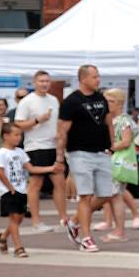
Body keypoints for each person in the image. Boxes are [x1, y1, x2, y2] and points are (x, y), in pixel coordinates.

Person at [57, 63, 114, 253]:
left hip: (101, 152)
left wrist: (112, 145)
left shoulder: (100, 98)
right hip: (79, 153)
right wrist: (60, 156)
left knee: (106, 195)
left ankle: (74, 221)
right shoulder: (71, 101)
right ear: (83, 79)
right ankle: (86, 238)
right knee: (86, 195)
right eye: (94, 77)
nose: (98, 80)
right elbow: (62, 131)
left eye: (98, 76)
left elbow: (108, 122)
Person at [16, 71, 66, 231]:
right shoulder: (27, 101)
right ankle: (36, 222)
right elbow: (18, 124)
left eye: (47, 81)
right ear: (34, 83)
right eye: (41, 81)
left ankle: (64, 220)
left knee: (59, 183)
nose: (45, 84)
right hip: (36, 146)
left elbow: (58, 121)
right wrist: (38, 120)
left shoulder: (54, 100)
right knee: (35, 184)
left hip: (53, 146)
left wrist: (59, 135)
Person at [103, 88, 139, 241]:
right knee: (114, 196)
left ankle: (119, 231)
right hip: (115, 160)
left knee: (115, 196)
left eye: (110, 101)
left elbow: (126, 141)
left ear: (119, 103)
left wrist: (109, 147)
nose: (107, 104)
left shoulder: (123, 120)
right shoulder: (114, 119)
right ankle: (117, 229)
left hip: (118, 161)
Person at [0, 122, 31, 257]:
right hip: (8, 191)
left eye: (20, 135)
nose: (19, 137)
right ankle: (18, 248)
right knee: (14, 218)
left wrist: (50, 168)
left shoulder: (20, 152)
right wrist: (10, 189)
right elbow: (0, 173)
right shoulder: (1, 153)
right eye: (16, 135)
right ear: (6, 136)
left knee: (19, 218)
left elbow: (30, 168)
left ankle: (3, 237)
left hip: (21, 190)